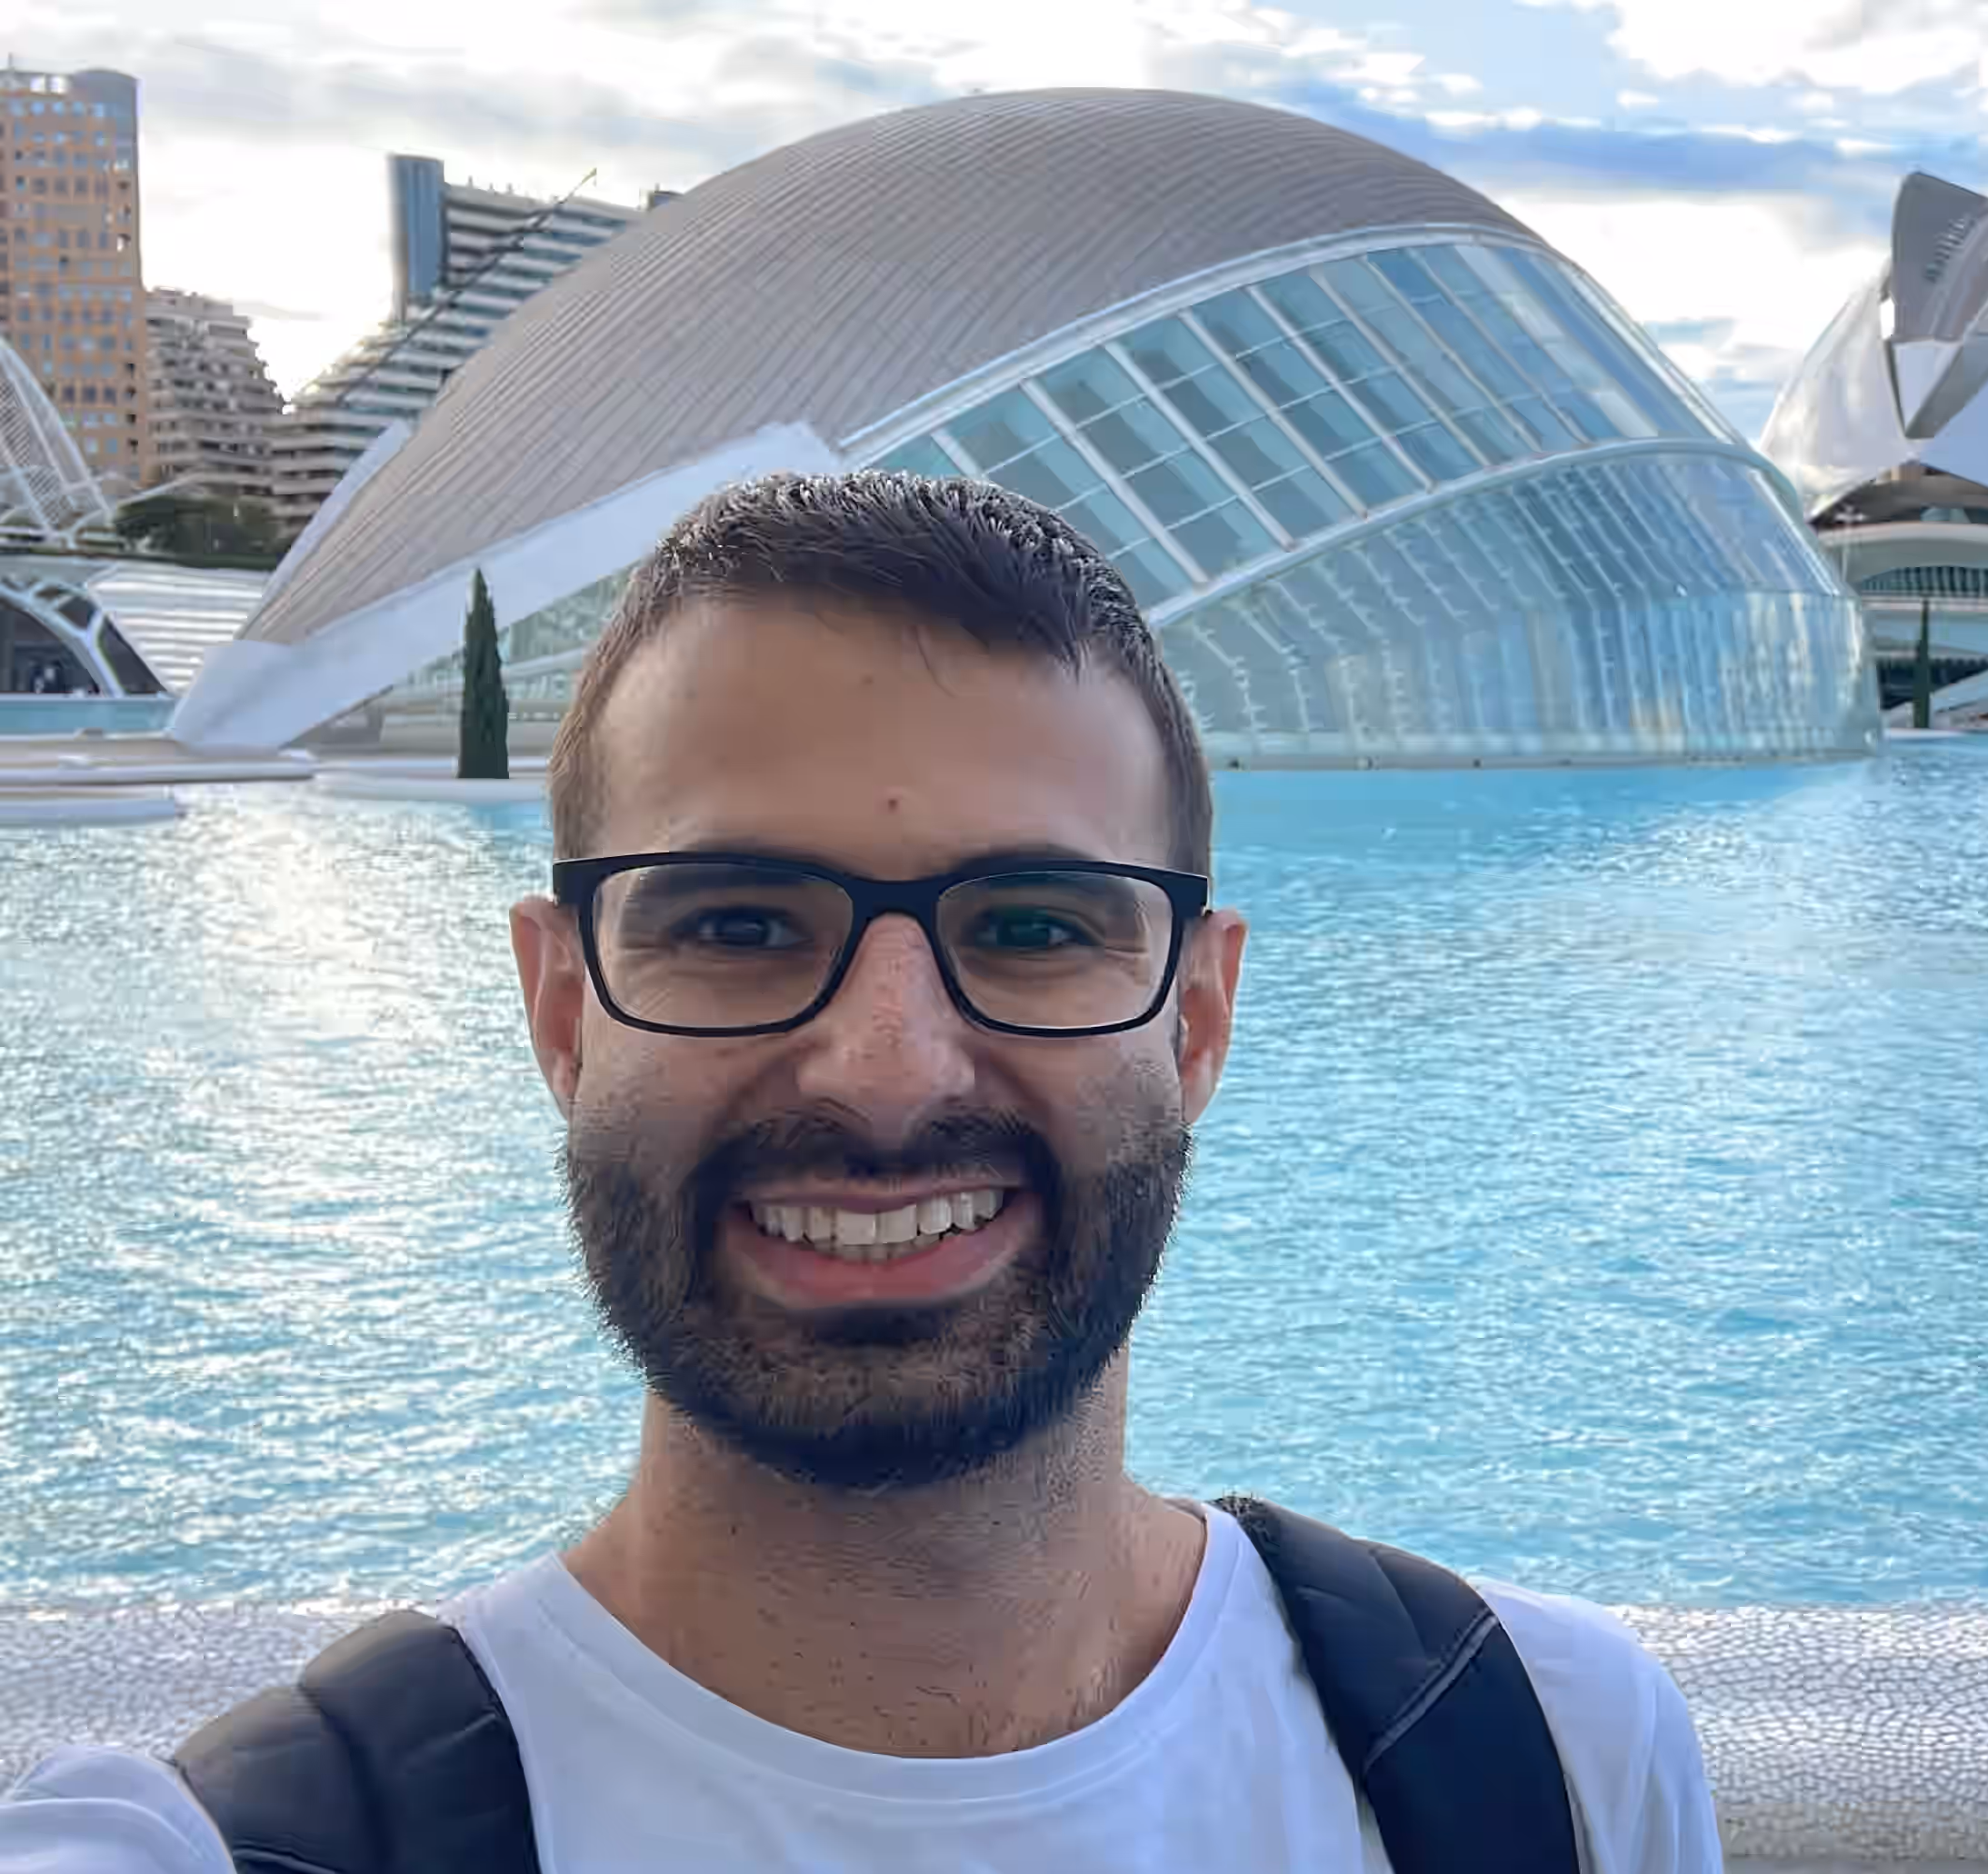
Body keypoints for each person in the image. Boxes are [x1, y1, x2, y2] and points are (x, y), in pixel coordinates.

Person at [0, 473, 1717, 1871]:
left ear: (1196, 1020)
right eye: (738, 922)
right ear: (561, 1008)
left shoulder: (1553, 1760)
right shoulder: (238, 1850)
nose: (889, 1067)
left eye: (1035, 927)